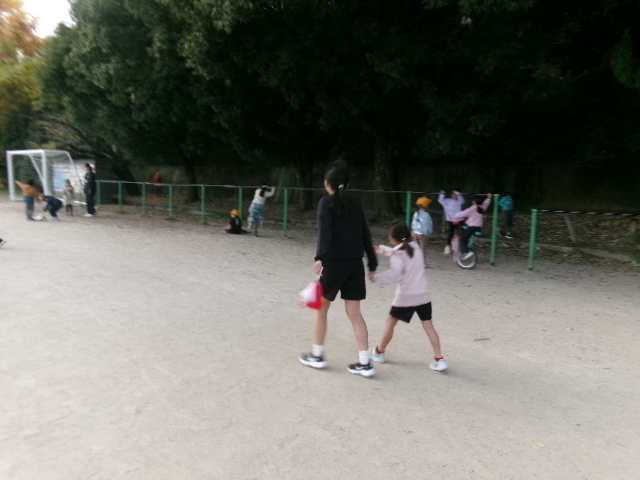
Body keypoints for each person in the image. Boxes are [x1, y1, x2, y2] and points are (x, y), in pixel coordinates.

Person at [299, 164, 378, 377]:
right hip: (355, 264)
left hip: (334, 264)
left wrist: (320, 257)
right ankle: (365, 363)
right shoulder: (356, 204)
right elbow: (365, 235)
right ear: (347, 185)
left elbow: (326, 232)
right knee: (355, 313)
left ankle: (317, 355)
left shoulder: (326, 203)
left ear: (327, 184)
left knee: (321, 308)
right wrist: (372, 264)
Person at [368, 221, 448, 371]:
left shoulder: (399, 254)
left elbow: (395, 274)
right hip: (423, 293)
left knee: (390, 323)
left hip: (406, 296)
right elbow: (398, 252)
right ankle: (440, 359)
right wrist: (380, 249)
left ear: (392, 238)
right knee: (428, 326)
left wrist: (377, 277)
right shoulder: (415, 247)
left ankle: (379, 352)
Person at [454, 194, 493, 260]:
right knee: (465, 234)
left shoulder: (472, 209)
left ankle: (466, 252)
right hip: (478, 228)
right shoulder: (482, 207)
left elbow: (461, 214)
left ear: (474, 202)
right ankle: (467, 247)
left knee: (462, 239)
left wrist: (455, 215)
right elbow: (486, 203)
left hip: (472, 227)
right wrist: (489, 198)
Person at [438, 189, 465, 254]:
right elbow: (440, 200)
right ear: (451, 195)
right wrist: (442, 194)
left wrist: (457, 193)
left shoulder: (459, 201)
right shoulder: (447, 201)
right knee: (450, 233)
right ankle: (448, 246)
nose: (455, 196)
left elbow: (462, 200)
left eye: (457, 195)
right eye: (454, 194)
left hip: (460, 220)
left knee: (463, 233)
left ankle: (463, 247)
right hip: (451, 220)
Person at [411, 196, 433, 268]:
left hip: (415, 232)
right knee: (422, 249)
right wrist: (429, 232)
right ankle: (423, 263)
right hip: (423, 234)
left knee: (416, 248)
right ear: (425, 205)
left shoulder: (415, 213)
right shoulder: (426, 215)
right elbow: (429, 224)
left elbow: (413, 223)